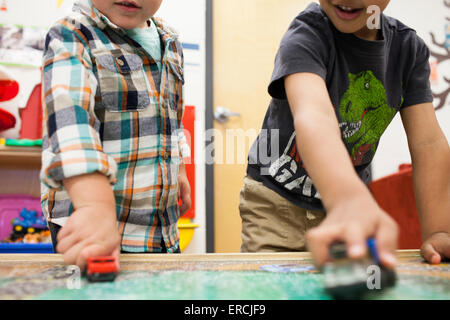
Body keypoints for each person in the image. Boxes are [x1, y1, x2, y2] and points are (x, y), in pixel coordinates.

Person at [240, 0, 450, 268]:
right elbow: (313, 115)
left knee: (350, 285)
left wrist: (439, 231)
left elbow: (429, 144)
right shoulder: (307, 33)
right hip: (276, 202)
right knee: (271, 285)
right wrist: (347, 198)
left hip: (348, 205)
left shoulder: (408, 49)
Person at [41, 0, 191, 270]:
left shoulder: (171, 40)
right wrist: (93, 206)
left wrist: (179, 167)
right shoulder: (72, 32)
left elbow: (172, 115)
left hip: (160, 227)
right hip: (92, 226)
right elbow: (71, 126)